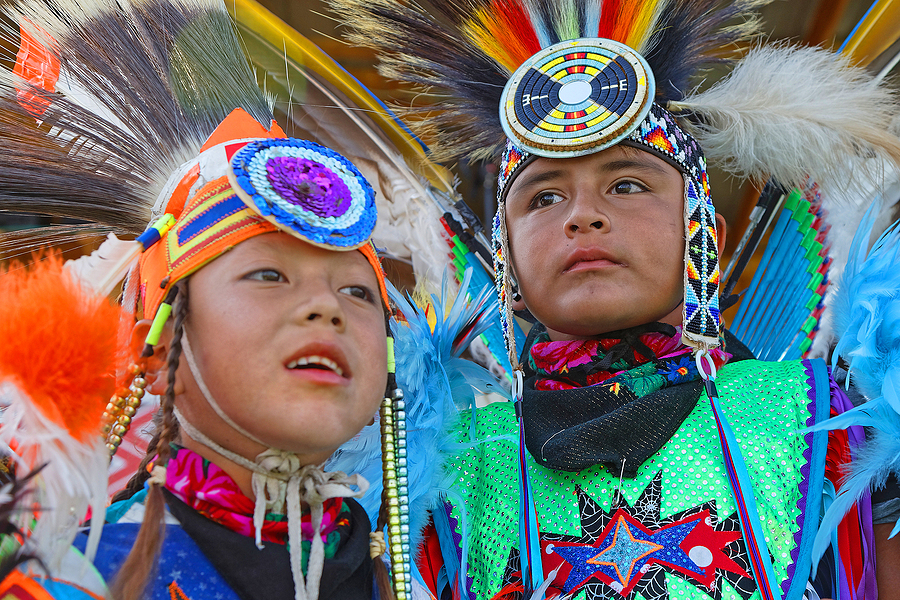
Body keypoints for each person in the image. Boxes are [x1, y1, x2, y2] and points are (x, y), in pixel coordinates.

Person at [331, 0, 900, 598]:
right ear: (509, 271)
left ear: (702, 234)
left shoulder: (823, 420)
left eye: (626, 185)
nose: (584, 216)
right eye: (544, 198)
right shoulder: (447, 474)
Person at [0, 0, 472, 598]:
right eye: (269, 277)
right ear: (162, 340)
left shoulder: (414, 580)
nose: (324, 308)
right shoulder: (71, 582)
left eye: (357, 291)